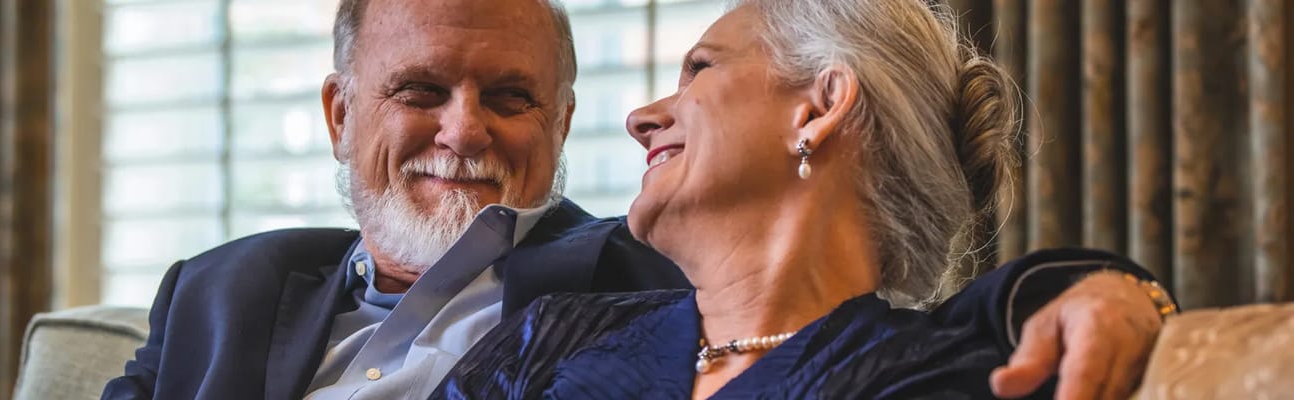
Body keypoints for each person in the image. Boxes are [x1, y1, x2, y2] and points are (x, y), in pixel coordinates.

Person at [101, 1, 1168, 399]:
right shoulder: (216, 287)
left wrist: (1107, 288)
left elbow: (931, 320)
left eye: (511, 98)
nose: (463, 131)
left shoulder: (609, 280)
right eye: (419, 91)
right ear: (339, 113)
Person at [433, 1, 1173, 399]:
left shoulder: (932, 373)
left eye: (700, 70)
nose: (639, 117)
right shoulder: (553, 334)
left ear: (818, 107)